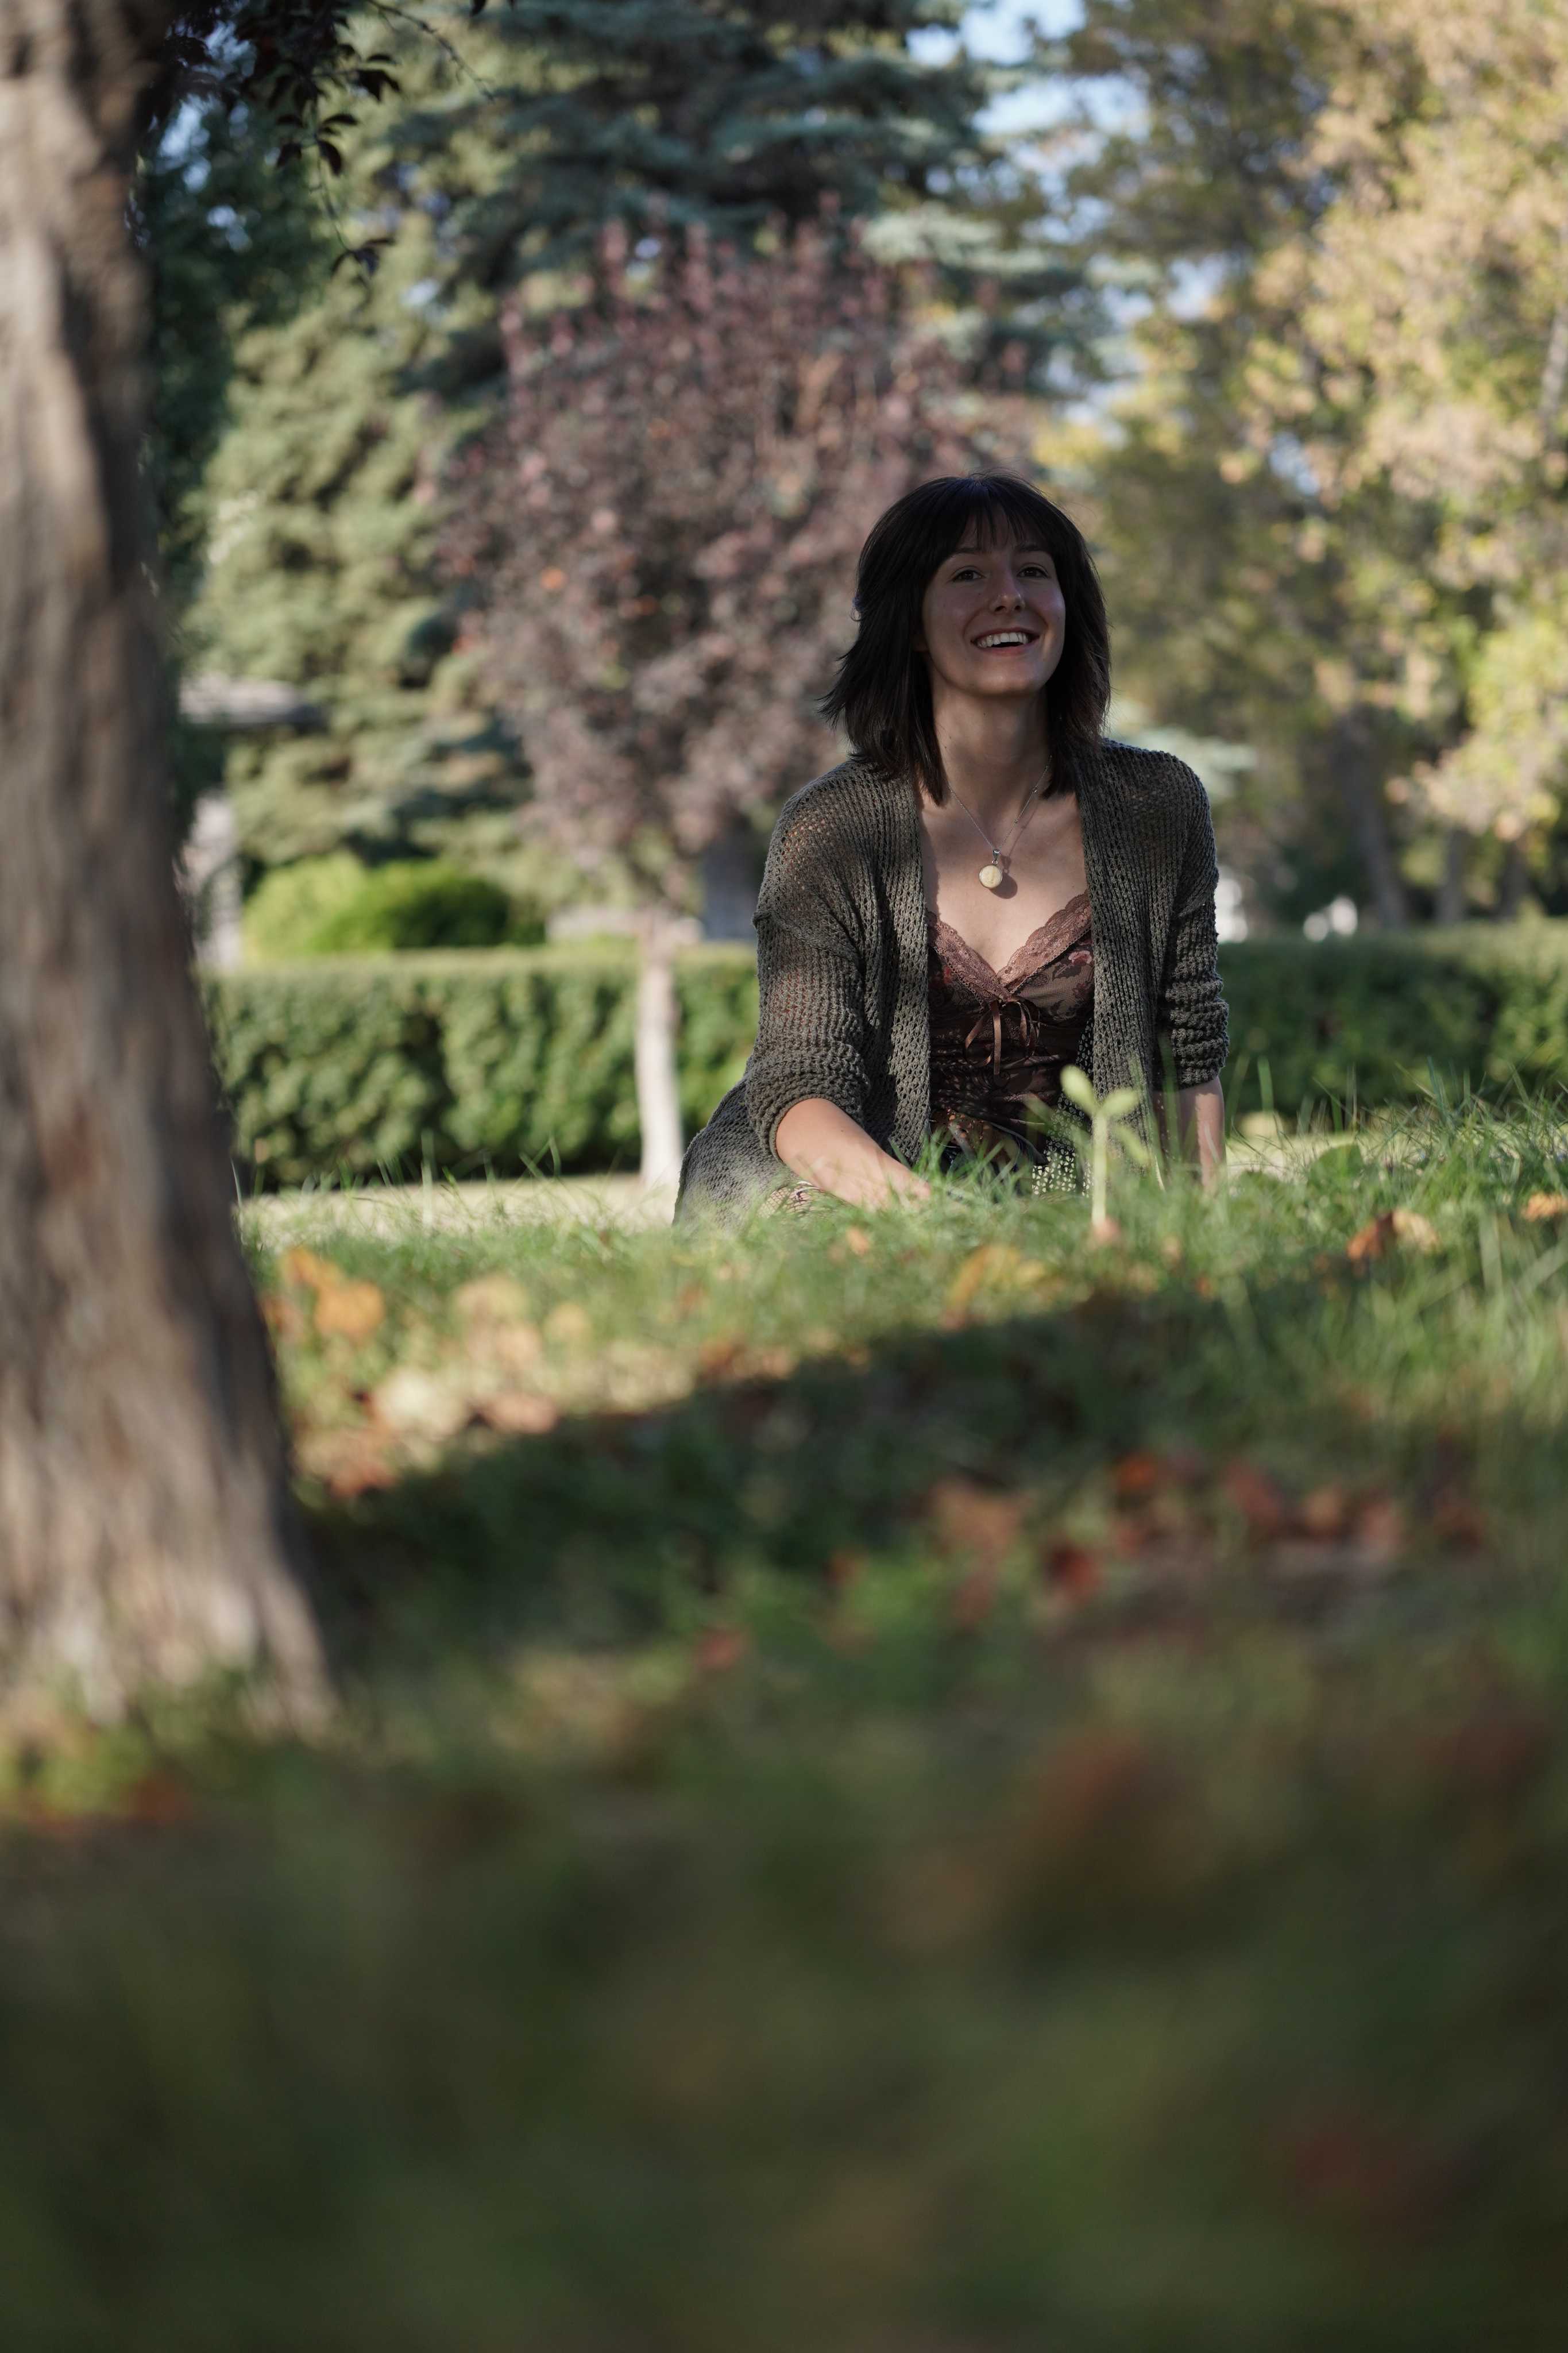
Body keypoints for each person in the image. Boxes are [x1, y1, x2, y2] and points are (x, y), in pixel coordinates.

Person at [675, 473, 1228, 1221]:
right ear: (910, 621)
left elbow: (1186, 1058)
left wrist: (1200, 1237)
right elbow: (798, 1085)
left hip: (1057, 1207)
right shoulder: (832, 827)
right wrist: (937, 1222)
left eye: (1034, 571)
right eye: (967, 574)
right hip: (842, 1187)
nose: (1010, 595)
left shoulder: (1156, 805)